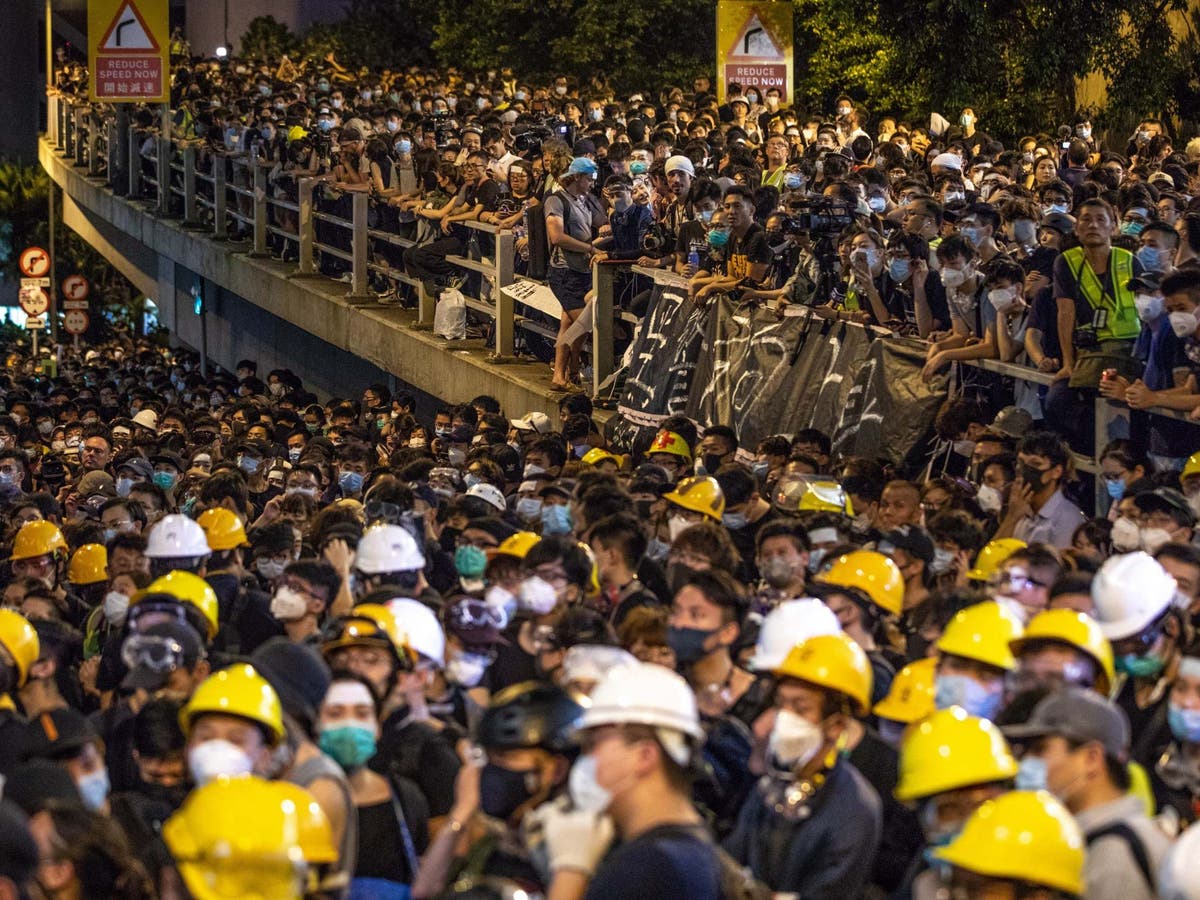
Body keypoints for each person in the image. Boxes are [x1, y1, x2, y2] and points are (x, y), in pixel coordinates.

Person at [537, 661, 723, 899]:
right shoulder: (688, 850)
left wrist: (570, 870)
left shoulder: (649, 867)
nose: (586, 759)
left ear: (644, 756)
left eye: (593, 744)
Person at [726, 634, 882, 896]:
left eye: (800, 708)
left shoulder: (854, 807)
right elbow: (733, 857)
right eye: (781, 704)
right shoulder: (772, 782)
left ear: (837, 726)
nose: (784, 718)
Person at [1005, 687, 1171, 899]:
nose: (1027, 763)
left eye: (1040, 750)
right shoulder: (1096, 839)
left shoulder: (1115, 853)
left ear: (1092, 758)